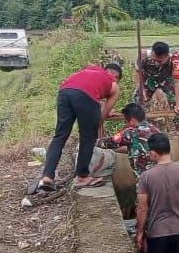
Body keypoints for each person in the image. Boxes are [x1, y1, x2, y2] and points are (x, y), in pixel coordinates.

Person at [39, 62, 122, 190]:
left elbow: (86, 89)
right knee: (88, 137)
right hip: (85, 96)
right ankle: (82, 176)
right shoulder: (114, 85)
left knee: (60, 135)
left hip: (64, 91)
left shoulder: (91, 70)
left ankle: (47, 176)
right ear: (115, 77)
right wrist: (95, 122)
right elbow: (102, 116)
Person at [97, 103, 161, 178]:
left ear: (132, 120)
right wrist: (117, 149)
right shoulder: (156, 130)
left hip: (144, 178)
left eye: (126, 121)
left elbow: (109, 142)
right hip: (160, 174)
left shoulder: (131, 133)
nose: (126, 124)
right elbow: (139, 147)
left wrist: (90, 142)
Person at [134, 41, 179, 116]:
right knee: (137, 103)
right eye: (154, 60)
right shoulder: (143, 55)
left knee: (176, 105)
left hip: (166, 79)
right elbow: (138, 74)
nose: (156, 63)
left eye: (160, 61)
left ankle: (177, 125)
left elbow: (178, 82)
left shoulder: (175, 60)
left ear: (167, 56)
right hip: (148, 78)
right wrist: (141, 90)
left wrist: (178, 105)